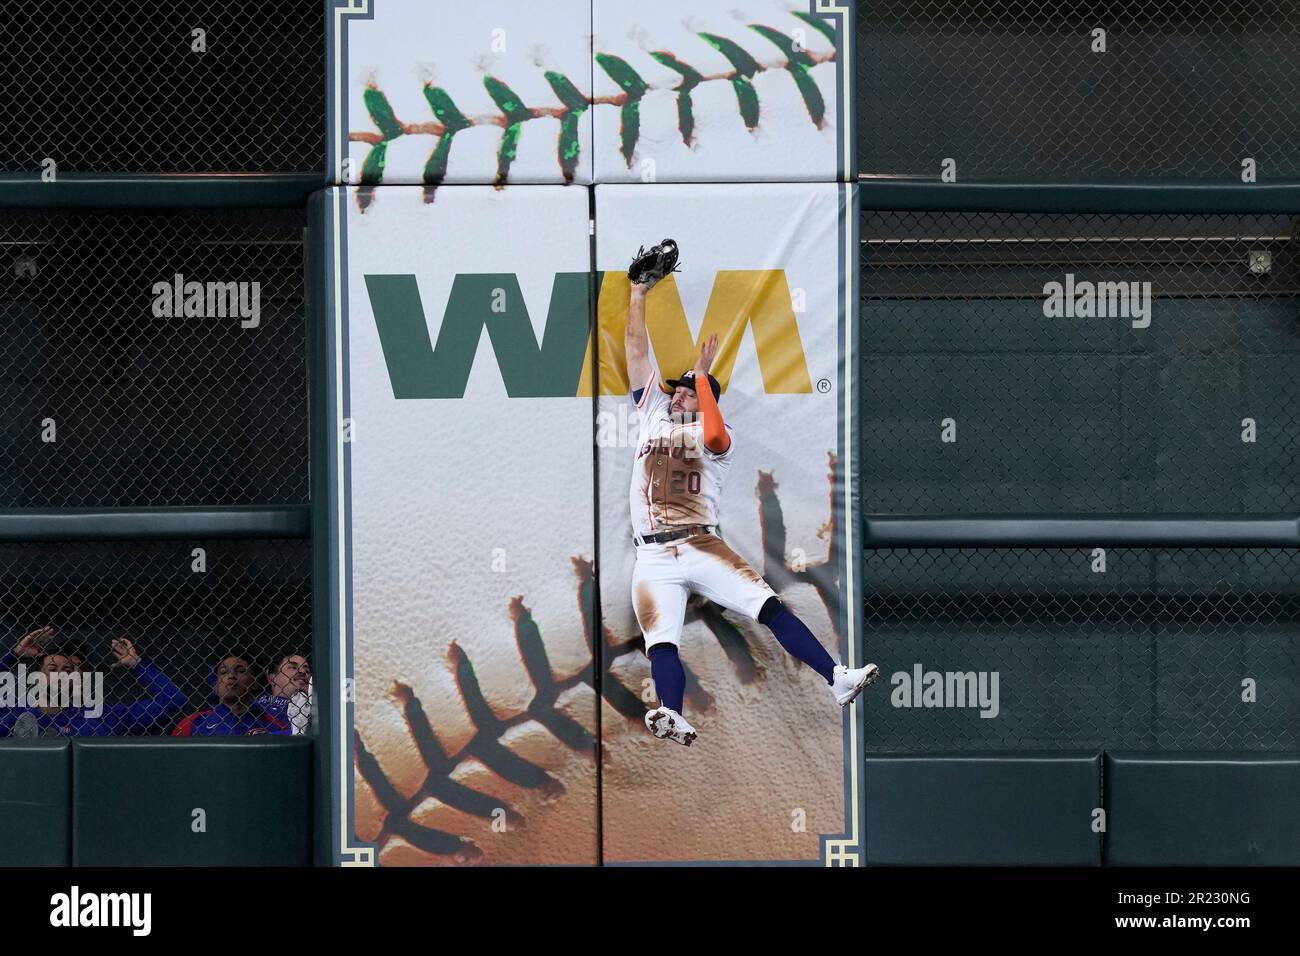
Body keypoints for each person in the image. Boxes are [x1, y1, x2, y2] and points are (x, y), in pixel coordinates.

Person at [623, 239, 879, 747]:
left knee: (767, 606)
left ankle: (837, 679)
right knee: (662, 641)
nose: (676, 391)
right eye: (676, 386)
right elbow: (635, 348)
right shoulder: (653, 414)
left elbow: (714, 433)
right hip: (651, 555)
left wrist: (703, 382)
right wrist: (638, 291)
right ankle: (671, 713)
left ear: (705, 400)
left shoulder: (716, 436)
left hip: (700, 543)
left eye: (688, 390)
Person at [0, 636, 186, 737]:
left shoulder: (102, 715)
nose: (62, 674)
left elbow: (173, 700)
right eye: (52, 668)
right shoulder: (15, 712)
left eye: (68, 669)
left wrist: (137, 663)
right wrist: (15, 654)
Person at [172, 652, 291, 736]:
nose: (231, 676)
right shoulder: (193, 722)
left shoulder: (275, 723)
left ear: (254, 683)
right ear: (216, 686)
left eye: (240, 671)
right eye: (224, 672)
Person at [258, 651, 312, 734]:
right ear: (272, 677)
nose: (303, 672)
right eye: (293, 667)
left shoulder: (316, 709)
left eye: (307, 670)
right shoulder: (258, 708)